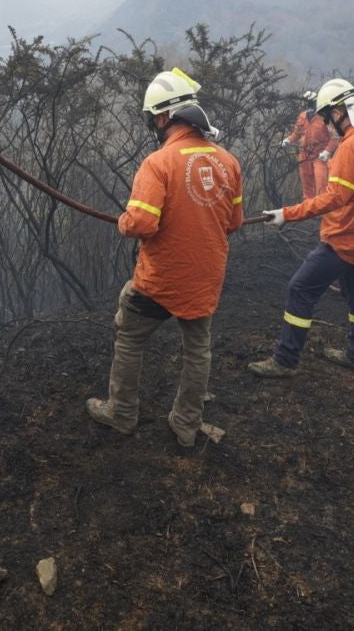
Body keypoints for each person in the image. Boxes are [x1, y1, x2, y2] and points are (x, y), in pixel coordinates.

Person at [86, 68, 244, 447]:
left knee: (128, 335)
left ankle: (121, 413)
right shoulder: (229, 162)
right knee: (197, 350)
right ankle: (186, 424)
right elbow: (234, 222)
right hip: (206, 277)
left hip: (161, 279)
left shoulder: (158, 163)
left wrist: (124, 222)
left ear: (162, 117)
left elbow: (141, 223)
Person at [248, 78, 354, 376]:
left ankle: (285, 360)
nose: (328, 124)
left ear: (340, 111)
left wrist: (286, 214)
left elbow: (332, 198)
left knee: (300, 289)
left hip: (343, 239)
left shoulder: (351, 147)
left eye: (329, 116)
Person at [282, 90, 339, 199]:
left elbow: (335, 137)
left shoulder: (325, 117)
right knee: (307, 186)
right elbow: (297, 133)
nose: (309, 105)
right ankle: (309, 211)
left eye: (311, 103)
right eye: (307, 103)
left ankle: (322, 210)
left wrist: (327, 151)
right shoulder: (302, 116)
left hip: (319, 156)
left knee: (321, 184)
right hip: (304, 155)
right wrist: (288, 140)